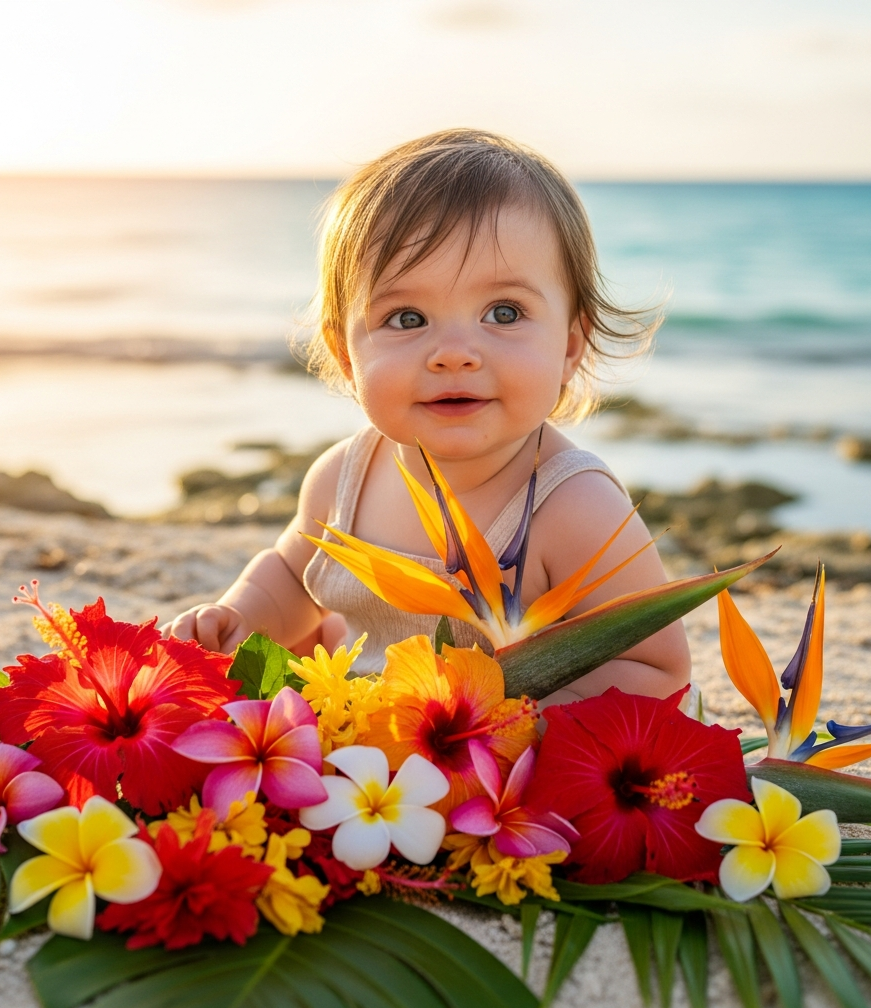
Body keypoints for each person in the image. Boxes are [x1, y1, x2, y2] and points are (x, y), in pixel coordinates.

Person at [162, 129, 691, 708]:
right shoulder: (343, 478)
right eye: (407, 318)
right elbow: (293, 578)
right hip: (362, 742)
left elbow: (653, 666)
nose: (454, 352)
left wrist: (520, 719)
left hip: (483, 757)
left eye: (504, 312)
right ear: (346, 355)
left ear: (570, 346)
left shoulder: (575, 509)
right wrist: (236, 619)